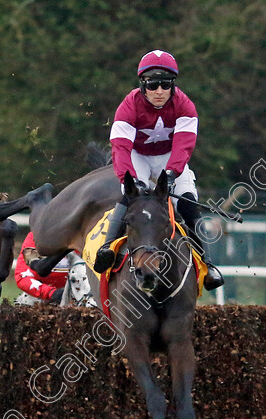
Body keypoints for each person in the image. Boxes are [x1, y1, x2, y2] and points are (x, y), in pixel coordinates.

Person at [94, 50, 224, 290]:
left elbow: (184, 144)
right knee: (133, 198)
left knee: (187, 201)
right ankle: (108, 248)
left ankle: (208, 265)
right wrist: (129, 179)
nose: (160, 91)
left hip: (169, 157)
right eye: (153, 84)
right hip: (138, 155)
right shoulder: (128, 106)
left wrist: (173, 173)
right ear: (143, 84)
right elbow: (121, 147)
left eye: (166, 84)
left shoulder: (185, 105)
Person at [14, 232, 67, 305]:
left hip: (76, 293)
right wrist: (51, 293)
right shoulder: (35, 236)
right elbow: (22, 276)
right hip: (40, 296)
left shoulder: (82, 237)